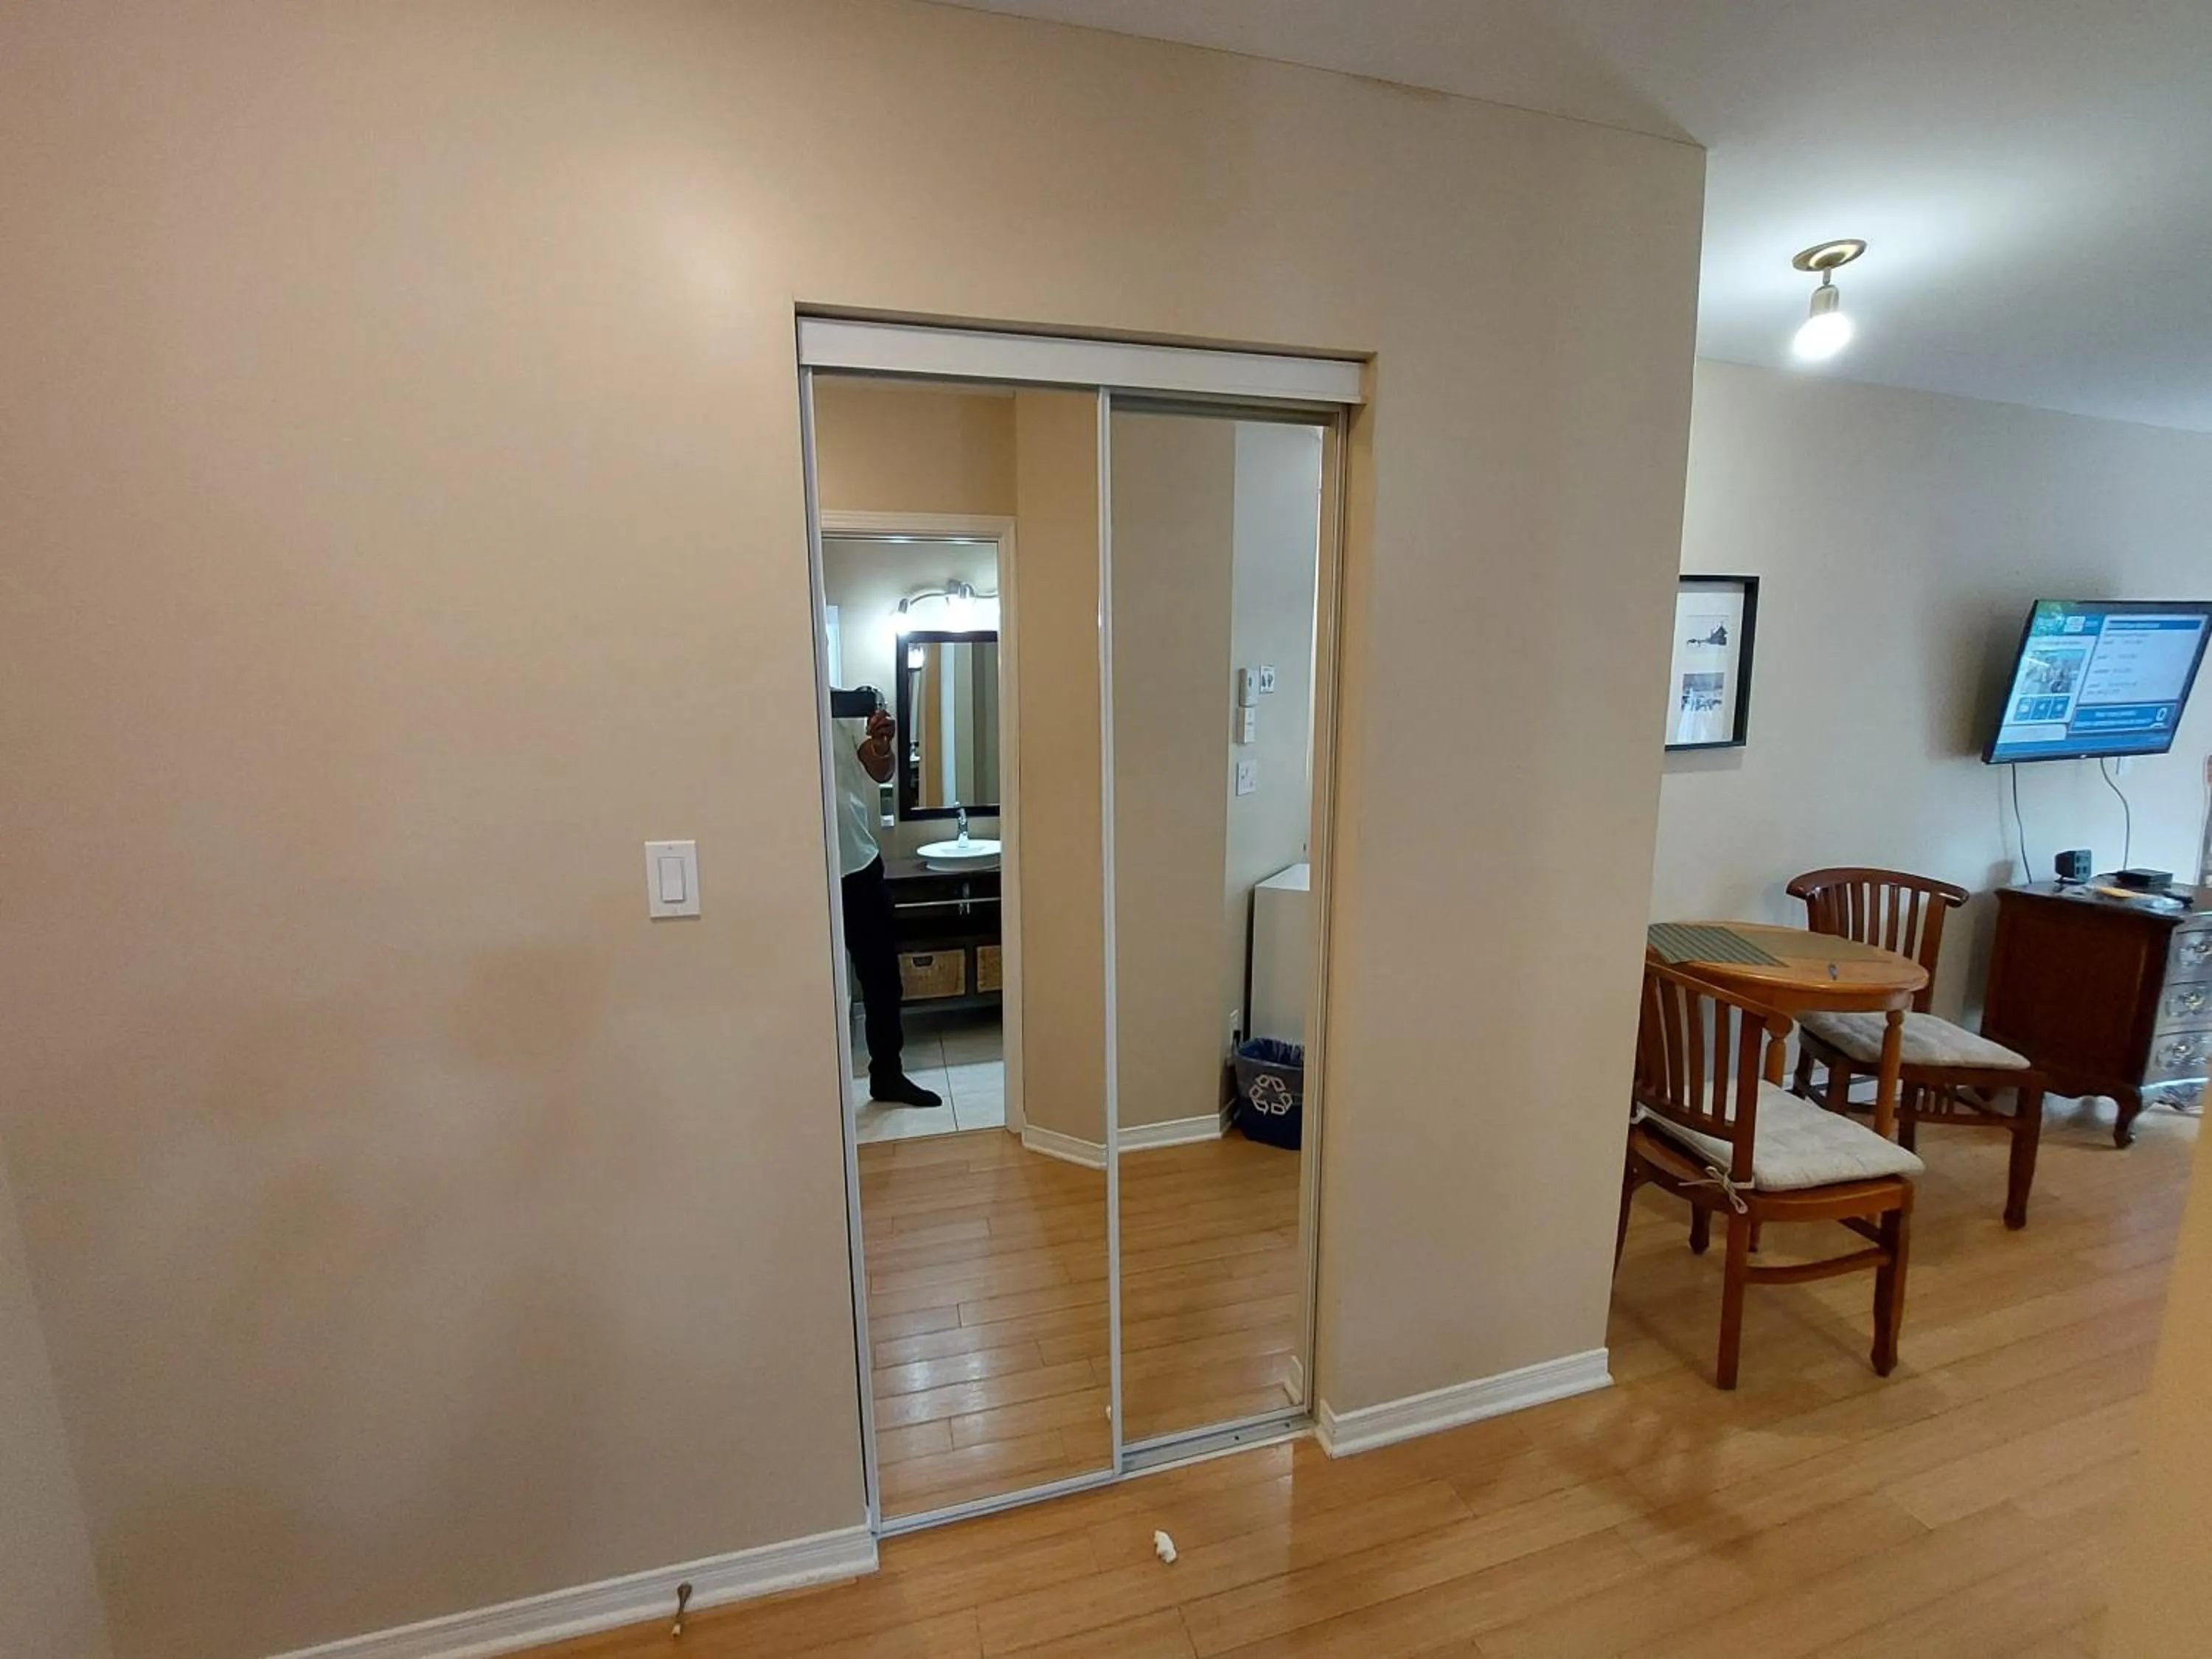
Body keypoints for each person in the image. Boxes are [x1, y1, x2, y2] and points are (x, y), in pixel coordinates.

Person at [833, 699, 942, 1106]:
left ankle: (887, 1076)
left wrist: (881, 742)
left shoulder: (840, 708)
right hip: (804, 874)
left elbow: (882, 773)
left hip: (859, 865)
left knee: (883, 981)